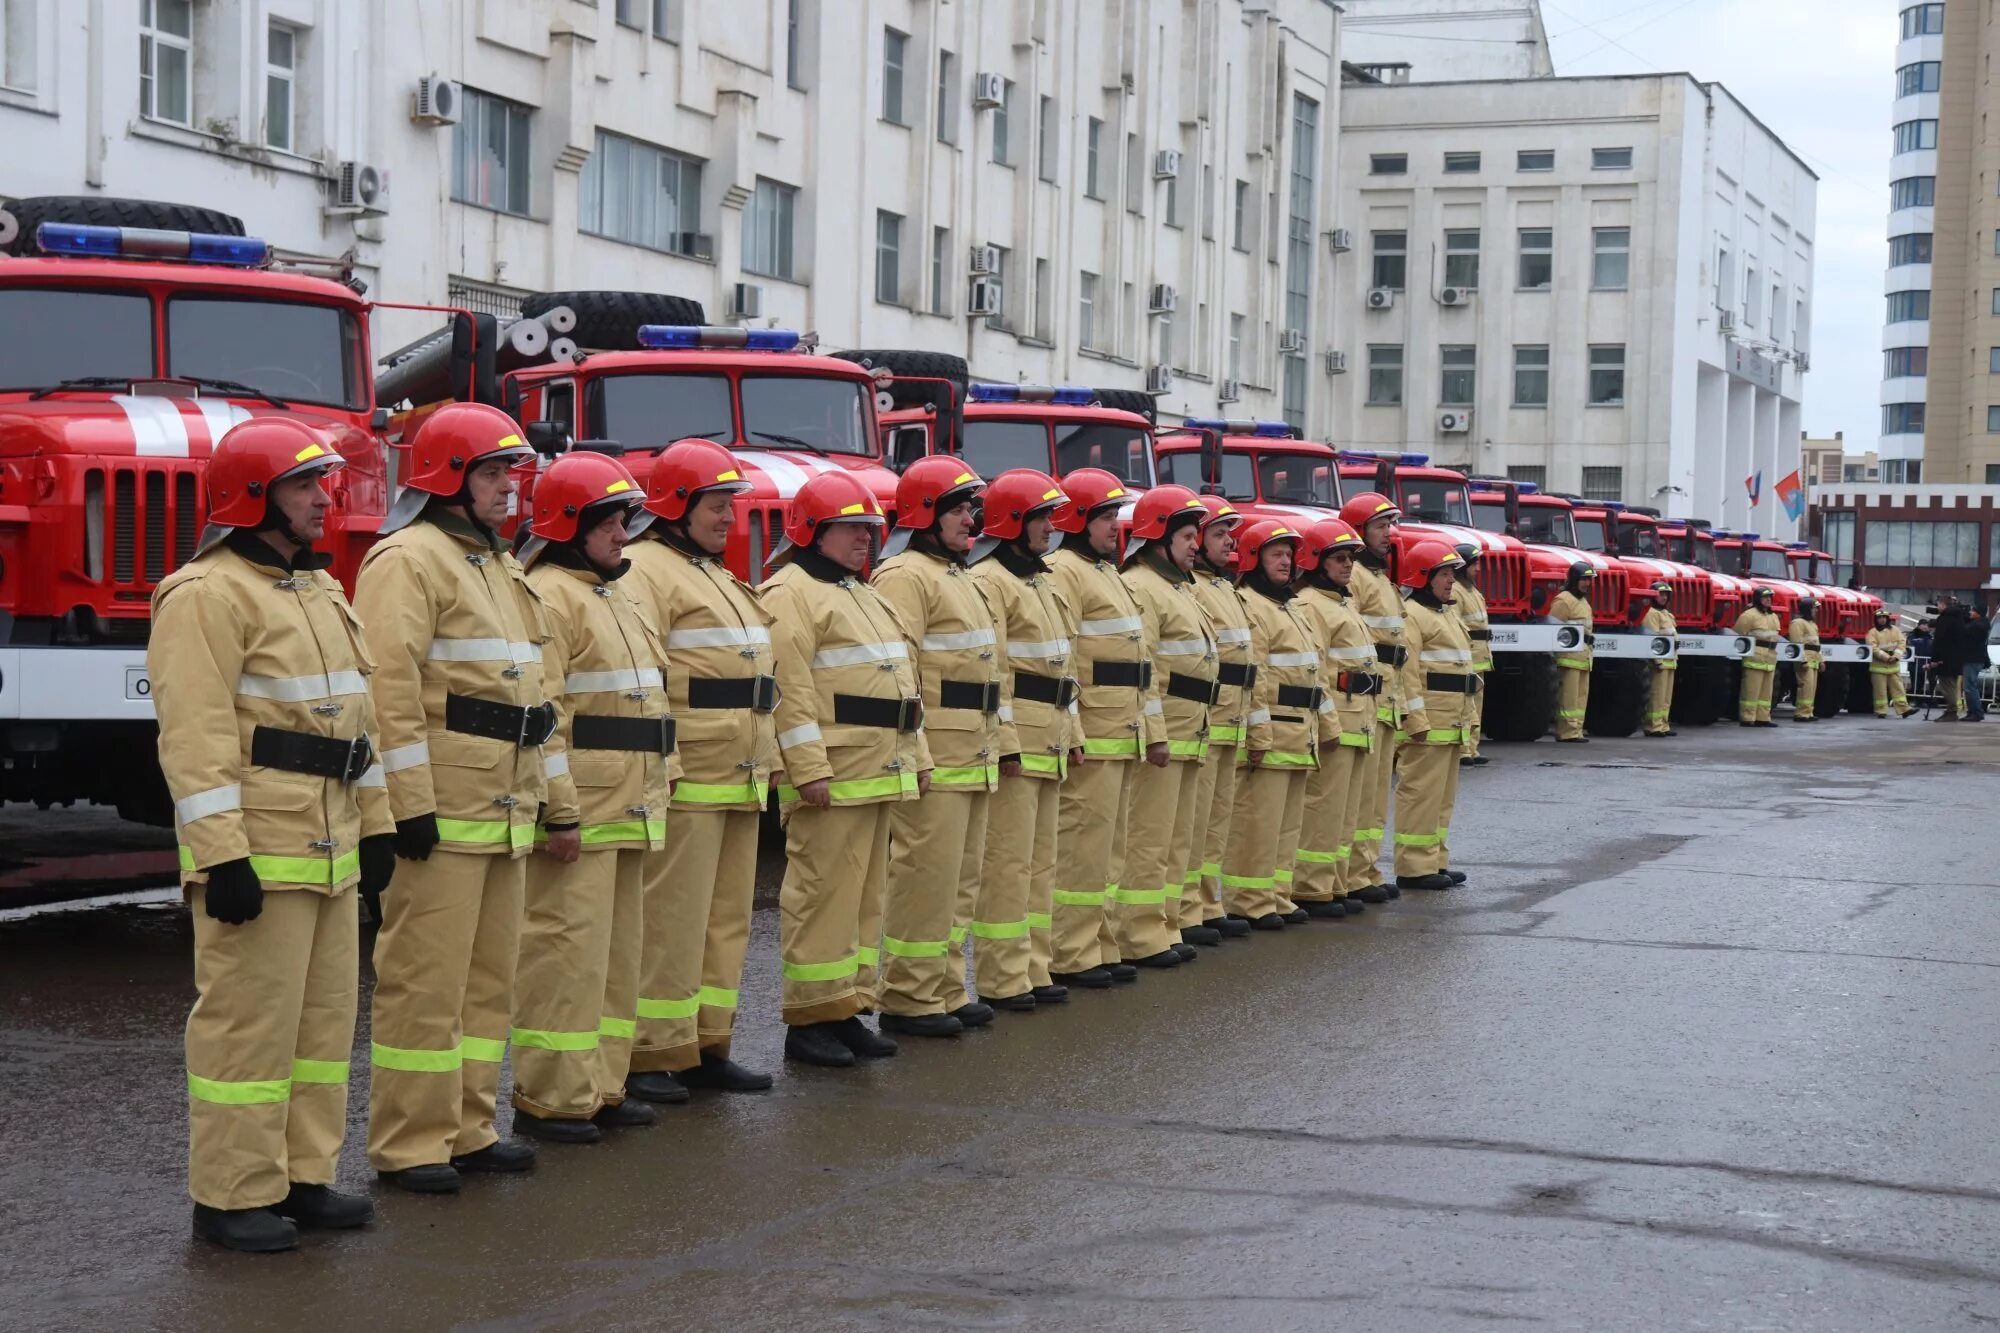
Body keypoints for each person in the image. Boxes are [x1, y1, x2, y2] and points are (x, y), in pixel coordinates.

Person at [150, 418, 392, 1252]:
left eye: (321, 484)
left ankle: (301, 1176)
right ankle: (230, 1194)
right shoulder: (205, 595)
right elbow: (196, 738)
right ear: (256, 496)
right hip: (260, 849)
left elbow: (364, 723)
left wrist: (383, 827)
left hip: (331, 850)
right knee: (247, 1031)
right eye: (304, 486)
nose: (324, 500)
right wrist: (221, 856)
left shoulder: (320, 589)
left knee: (322, 1030)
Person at [356, 402, 547, 1194]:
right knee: (425, 983)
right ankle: (410, 1141)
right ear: (448, 477)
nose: (509, 488)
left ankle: (468, 1126)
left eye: (511, 472)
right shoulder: (409, 559)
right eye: (494, 472)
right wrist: (408, 801)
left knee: (487, 981)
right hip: (443, 806)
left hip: (502, 806)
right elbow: (389, 687)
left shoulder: (493, 562)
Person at [509, 453, 677, 1143]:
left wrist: (664, 774)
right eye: (608, 521)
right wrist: (560, 805)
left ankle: (602, 1084)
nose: (621, 533)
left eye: (623, 520)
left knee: (613, 960)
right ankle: (552, 1096)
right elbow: (544, 711)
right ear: (569, 524)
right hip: (585, 806)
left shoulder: (613, 592)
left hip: (630, 805)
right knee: (566, 957)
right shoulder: (549, 592)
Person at [623, 439, 776, 1100]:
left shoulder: (712, 569)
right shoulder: (647, 570)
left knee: (723, 923)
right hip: (692, 778)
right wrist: (670, 766)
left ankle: (708, 1042)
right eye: (717, 505)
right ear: (678, 505)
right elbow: (646, 679)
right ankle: (655, 1050)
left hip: (739, 776)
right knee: (672, 921)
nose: (728, 518)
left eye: (730, 505)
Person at [762, 471, 932, 1067]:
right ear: (813, 530)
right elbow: (791, 689)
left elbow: (903, 685)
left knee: (864, 902)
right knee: (821, 899)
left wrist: (919, 758)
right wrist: (807, 769)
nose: (865, 538)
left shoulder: (860, 591)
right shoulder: (790, 592)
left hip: (877, 772)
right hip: (833, 777)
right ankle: (810, 1021)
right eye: (851, 528)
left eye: (869, 528)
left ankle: (847, 1006)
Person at [871, 459, 1002, 1036]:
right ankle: (908, 994)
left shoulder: (955, 573)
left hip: (972, 750)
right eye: (958, 509)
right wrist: (916, 750)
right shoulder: (905, 574)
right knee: (925, 876)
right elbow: (904, 673)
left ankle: (945, 986)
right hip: (938, 754)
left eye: (971, 508)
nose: (970, 519)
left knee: (959, 878)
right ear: (925, 514)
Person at [970, 470, 1084, 999]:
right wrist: (1008, 741)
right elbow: (998, 671)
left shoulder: (1040, 578)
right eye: (1041, 517)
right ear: (1013, 521)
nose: (1049, 528)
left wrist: (1075, 729)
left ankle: (1034, 969)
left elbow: (1063, 668)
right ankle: (1003, 977)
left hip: (1054, 735)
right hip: (1023, 741)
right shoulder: (992, 579)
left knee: (1041, 864)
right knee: (1009, 865)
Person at [1047, 470, 1153, 978]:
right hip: (1095, 735)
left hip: (1121, 732)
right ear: (1078, 519)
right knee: (1081, 851)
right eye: (1107, 517)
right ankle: (1070, 952)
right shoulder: (1066, 569)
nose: (1116, 526)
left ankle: (1100, 944)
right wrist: (1074, 731)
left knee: (1109, 852)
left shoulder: (1104, 571)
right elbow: (1063, 657)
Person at [1116, 484, 1219, 963]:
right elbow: (1148, 669)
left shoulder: (1178, 585)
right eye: (1186, 535)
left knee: (1179, 837)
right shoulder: (1141, 585)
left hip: (1191, 727)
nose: (1195, 544)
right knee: (1148, 839)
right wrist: (1155, 735)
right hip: (1167, 731)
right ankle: (1139, 935)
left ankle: (1167, 923)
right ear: (1158, 538)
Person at [1222, 520, 1320, 930]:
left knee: (1286, 825)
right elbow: (1256, 676)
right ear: (1253, 559)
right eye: (1275, 554)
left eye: (1288, 554)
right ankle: (1250, 898)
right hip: (1274, 729)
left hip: (1300, 729)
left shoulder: (1288, 605)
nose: (1285, 562)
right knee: (1259, 824)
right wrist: (1258, 733)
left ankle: (1276, 895)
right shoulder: (1251, 604)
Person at [1289, 518, 1379, 917]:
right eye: (1339, 558)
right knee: (1323, 808)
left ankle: (1336, 881)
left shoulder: (1342, 602)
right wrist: (1328, 725)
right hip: (1338, 721)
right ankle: (1311, 886)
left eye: (1350, 559)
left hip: (1359, 718)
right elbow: (1318, 671)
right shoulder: (1311, 604)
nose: (1348, 566)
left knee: (1345, 812)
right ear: (1316, 561)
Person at [1184, 496, 1256, 941]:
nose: (1228, 541)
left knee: (1215, 822)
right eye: (1218, 533)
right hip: (1206, 720)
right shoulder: (1190, 587)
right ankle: (1187, 908)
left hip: (1232, 719)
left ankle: (1208, 902)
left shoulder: (1224, 587)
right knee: (1191, 825)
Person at [1394, 541, 1477, 892]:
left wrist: (1469, 716)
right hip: (1428, 725)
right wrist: (1416, 721)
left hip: (1451, 723)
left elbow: (1463, 670)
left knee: (1442, 798)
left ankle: (1435, 859)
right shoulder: (1412, 615)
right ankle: (1414, 867)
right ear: (1424, 577)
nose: (1450, 582)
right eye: (1443, 575)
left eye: (1452, 575)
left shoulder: (1447, 614)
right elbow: (1408, 674)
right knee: (1420, 795)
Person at [1338, 492, 1406, 904]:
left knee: (1376, 793)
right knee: (1359, 795)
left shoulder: (1379, 576)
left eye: (1390, 525)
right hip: (1366, 697)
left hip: (1385, 697)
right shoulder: (1358, 577)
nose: (1389, 534)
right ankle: (1349, 873)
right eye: (1381, 526)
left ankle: (1364, 869)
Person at [1452, 542, 1494, 765]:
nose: (1477, 568)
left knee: (1476, 706)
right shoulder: (1457, 592)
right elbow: (1457, 627)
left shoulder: (1473, 591)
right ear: (1463, 566)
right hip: (1468, 658)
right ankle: (1463, 750)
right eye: (1474, 564)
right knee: (1466, 705)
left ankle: (1472, 748)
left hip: (1479, 659)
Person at [1551, 562, 1596, 742]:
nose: (1587, 583)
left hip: (1584, 657)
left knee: (1580, 697)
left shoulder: (1583, 602)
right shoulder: (1563, 600)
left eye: (1589, 580)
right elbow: (1553, 630)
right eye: (1584, 579)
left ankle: (1576, 729)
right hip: (1569, 659)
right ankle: (1566, 731)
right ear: (1574, 580)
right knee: (1568, 698)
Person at [1734, 587, 1782, 727]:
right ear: (1757, 599)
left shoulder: (1773, 617)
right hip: (1754, 659)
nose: (1768, 600)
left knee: (1766, 694)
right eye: (1765, 597)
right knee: (1751, 691)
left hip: (1770, 659)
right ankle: (1747, 718)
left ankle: (1763, 717)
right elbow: (1738, 634)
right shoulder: (1748, 615)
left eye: (1770, 597)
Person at [1639, 581, 1680, 737]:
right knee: (1657, 695)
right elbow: (1653, 639)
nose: (1663, 597)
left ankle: (1663, 725)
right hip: (1661, 662)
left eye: (1666, 594)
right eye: (1661, 594)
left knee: (1666, 697)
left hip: (1671, 660)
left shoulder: (1666, 614)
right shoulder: (1651, 613)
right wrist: (1657, 661)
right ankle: (1653, 726)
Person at [1866, 609, 1917, 719]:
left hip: (1893, 665)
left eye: (1884, 617)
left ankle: (1904, 710)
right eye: (1880, 618)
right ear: (1876, 620)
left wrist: (1896, 656)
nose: (1882, 620)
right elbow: (1873, 648)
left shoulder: (1895, 630)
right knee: (1880, 691)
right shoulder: (1872, 632)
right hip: (1878, 667)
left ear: (1888, 618)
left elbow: (1902, 644)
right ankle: (1881, 711)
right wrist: (1886, 657)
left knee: (1899, 689)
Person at [1788, 594, 1823, 723]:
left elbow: (1816, 645)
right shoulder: (1797, 623)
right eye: (1814, 608)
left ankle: (1808, 712)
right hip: (1805, 660)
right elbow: (1796, 643)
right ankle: (1801, 713)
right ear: (1807, 609)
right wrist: (1802, 660)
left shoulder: (1813, 625)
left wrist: (1821, 660)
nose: (1816, 611)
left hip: (1813, 660)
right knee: (1805, 687)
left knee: (1811, 688)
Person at [1962, 603, 1991, 721]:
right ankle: (1972, 711)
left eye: (1973, 611)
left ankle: (1976, 712)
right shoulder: (1979, 623)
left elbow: (1966, 630)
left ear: (1979, 613)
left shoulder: (1979, 625)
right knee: (1969, 686)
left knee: (1970, 686)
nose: (1970, 613)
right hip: (1972, 658)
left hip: (1973, 659)